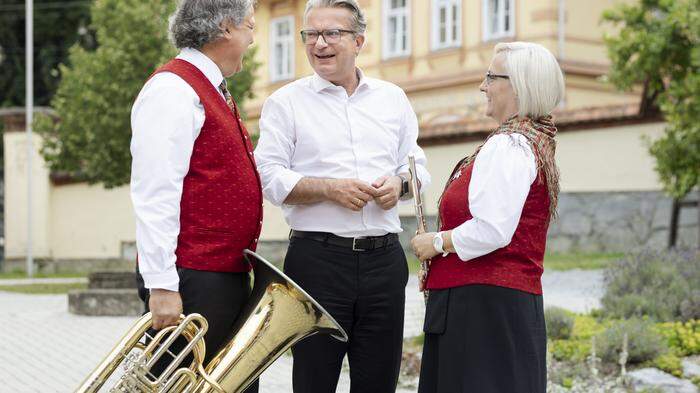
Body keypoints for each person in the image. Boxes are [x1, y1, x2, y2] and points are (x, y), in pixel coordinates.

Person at [254, 1, 430, 391]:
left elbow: (417, 167)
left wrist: (398, 186)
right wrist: (328, 188)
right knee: (314, 383)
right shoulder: (285, 103)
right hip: (317, 263)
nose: (319, 43)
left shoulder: (393, 98)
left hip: (384, 261)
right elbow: (267, 175)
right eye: (310, 35)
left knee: (378, 382)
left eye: (332, 33)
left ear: (359, 40)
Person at [410, 42, 564, 393]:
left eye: (491, 77)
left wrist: (435, 243)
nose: (483, 86)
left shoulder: (509, 145)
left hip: (481, 310)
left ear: (518, 85)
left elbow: (492, 230)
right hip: (494, 306)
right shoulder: (530, 141)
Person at [130, 1, 260, 390]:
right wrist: (163, 287)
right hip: (192, 278)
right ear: (225, 27)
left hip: (219, 273)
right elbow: (155, 194)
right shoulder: (172, 89)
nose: (253, 38)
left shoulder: (212, 87)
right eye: (250, 27)